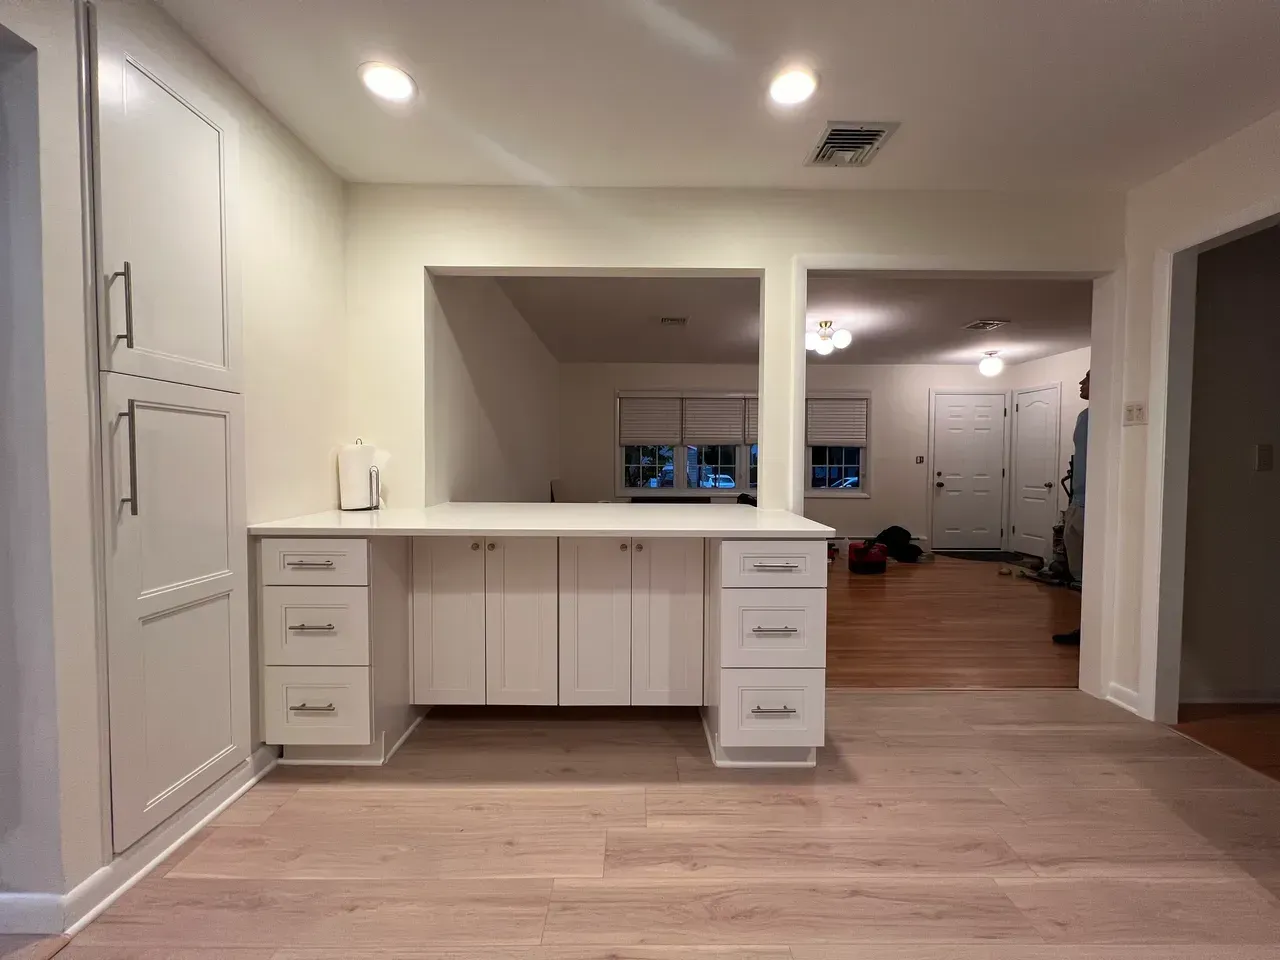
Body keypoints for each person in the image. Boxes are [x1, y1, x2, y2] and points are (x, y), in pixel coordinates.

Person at [1054, 370, 1089, 646]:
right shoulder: (1084, 417)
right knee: (1080, 573)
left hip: (1101, 506)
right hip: (1078, 502)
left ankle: (1096, 632)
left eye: (1087, 378)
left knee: (1099, 571)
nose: (1081, 383)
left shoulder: (1116, 416)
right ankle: (1086, 629)